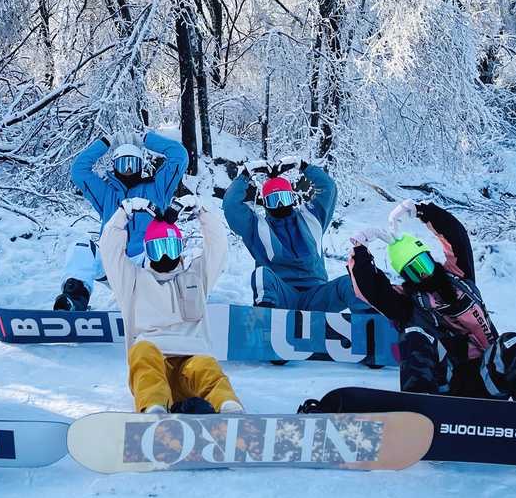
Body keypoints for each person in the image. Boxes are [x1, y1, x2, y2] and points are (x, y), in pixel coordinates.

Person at [347, 200, 516, 404]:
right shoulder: (405, 303)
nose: (423, 275)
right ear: (406, 277)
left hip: (487, 377)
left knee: (514, 341)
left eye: (424, 265)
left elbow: (456, 236)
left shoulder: (459, 277)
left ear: (432, 259)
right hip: (444, 384)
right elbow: (370, 289)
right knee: (415, 334)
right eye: (414, 272)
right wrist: (360, 250)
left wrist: (423, 211)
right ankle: (418, 410)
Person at [100, 195, 243, 415]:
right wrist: (124, 211)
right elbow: (109, 250)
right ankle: (154, 409)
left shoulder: (196, 276)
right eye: (158, 249)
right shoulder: (132, 280)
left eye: (171, 248)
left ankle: (229, 408)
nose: (165, 255)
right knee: (143, 352)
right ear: (148, 252)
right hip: (154, 367)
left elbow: (218, 246)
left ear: (180, 248)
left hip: (191, 363)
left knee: (205, 366)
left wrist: (200, 209)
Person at [55, 128, 189, 310]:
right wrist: (105, 143)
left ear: (141, 166)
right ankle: (74, 299)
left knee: (162, 255)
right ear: (114, 165)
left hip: (147, 264)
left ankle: (163, 301)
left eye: (132, 164)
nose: (127, 170)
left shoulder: (158, 189)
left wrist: (145, 140)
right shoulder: (105, 193)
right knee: (81, 247)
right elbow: (79, 171)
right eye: (122, 164)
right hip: (114, 263)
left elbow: (179, 155)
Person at [222, 156, 364, 313]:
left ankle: (370, 325)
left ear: (292, 198)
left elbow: (328, 188)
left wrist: (303, 166)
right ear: (265, 203)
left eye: (284, 198)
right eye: (273, 200)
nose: (280, 204)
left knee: (351, 283)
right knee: (262, 275)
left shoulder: (312, 217)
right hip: (282, 296)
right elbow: (231, 206)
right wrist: (245, 175)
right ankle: (265, 318)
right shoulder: (257, 228)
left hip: (317, 295)